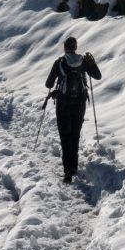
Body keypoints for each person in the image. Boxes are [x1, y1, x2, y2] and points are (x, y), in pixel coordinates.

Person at [45, 36, 101, 183]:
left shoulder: (60, 62)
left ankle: (68, 170)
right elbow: (98, 76)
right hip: (80, 103)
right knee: (75, 135)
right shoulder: (83, 61)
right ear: (75, 47)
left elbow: (48, 84)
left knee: (65, 136)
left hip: (63, 103)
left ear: (65, 48)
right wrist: (92, 63)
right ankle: (74, 166)